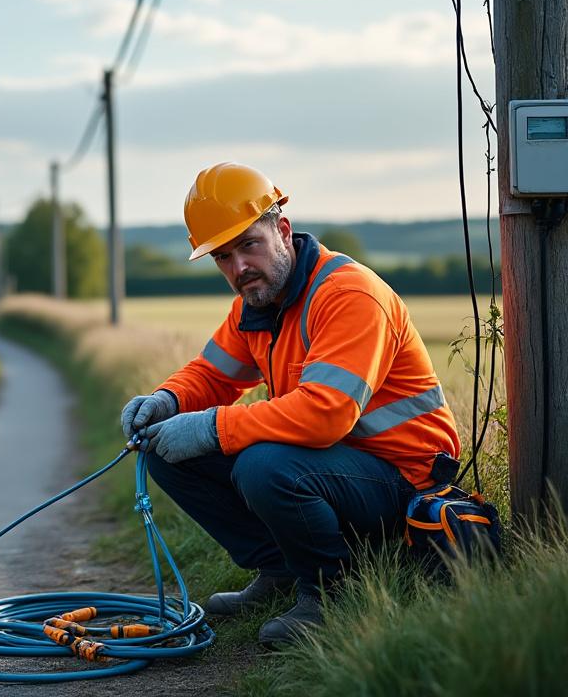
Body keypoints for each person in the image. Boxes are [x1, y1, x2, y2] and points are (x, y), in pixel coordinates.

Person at [120, 162, 461, 648]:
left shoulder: (349, 295)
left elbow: (325, 413)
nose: (239, 268)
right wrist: (165, 400)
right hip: (333, 469)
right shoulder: (258, 302)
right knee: (166, 448)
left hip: (405, 482)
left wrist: (212, 428)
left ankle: (332, 595)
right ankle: (279, 569)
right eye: (223, 257)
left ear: (282, 230)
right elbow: (214, 374)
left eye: (248, 246)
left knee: (264, 464)